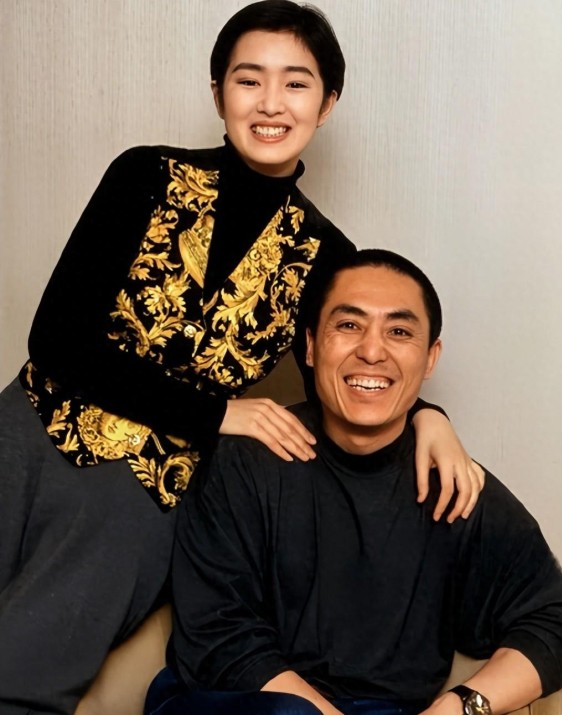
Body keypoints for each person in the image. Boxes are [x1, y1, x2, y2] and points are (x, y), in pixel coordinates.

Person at [0, 3, 481, 714]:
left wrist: (430, 416)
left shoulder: (326, 255)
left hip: (142, 492)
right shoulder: (144, 175)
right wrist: (219, 411)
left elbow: (351, 370)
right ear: (218, 91)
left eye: (296, 83)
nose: (270, 103)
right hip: (25, 434)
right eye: (249, 79)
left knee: (24, 680)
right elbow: (57, 340)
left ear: (327, 103)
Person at [148, 249, 562, 715]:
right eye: (348, 325)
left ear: (430, 358)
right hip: (234, 700)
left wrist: (461, 706)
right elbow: (220, 636)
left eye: (399, 332)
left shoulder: (451, 482)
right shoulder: (247, 461)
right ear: (310, 346)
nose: (371, 351)